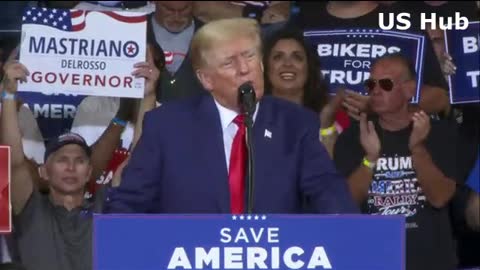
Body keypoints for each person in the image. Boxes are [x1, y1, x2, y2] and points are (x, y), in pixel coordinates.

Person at [104, 18, 358, 214]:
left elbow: (328, 190)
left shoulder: (295, 123)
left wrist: (349, 232)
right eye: (229, 63)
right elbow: (129, 202)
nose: (245, 69)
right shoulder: (167, 125)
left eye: (250, 56)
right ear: (205, 79)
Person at [334, 53, 460, 270]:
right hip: (371, 261)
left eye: (385, 84)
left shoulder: (440, 134)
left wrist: (417, 148)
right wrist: (370, 159)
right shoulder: (353, 137)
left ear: (410, 89)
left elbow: (440, 197)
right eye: (371, 83)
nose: (375, 90)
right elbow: (345, 205)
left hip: (431, 262)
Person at [263, 27, 347, 157]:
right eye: (278, 57)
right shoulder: (249, 118)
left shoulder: (335, 118)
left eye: (297, 57)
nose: (288, 64)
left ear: (309, 68)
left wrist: (326, 129)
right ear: (266, 68)